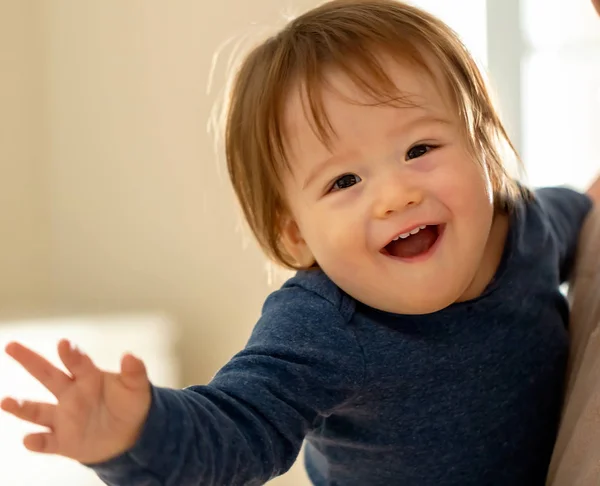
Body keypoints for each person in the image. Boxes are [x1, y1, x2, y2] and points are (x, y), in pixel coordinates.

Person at [2, 1, 600, 485]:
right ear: (296, 232)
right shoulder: (323, 326)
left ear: (482, 151)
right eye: (344, 181)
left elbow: (584, 215)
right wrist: (141, 431)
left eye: (420, 150)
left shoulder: (523, 224)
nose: (394, 196)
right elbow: (237, 426)